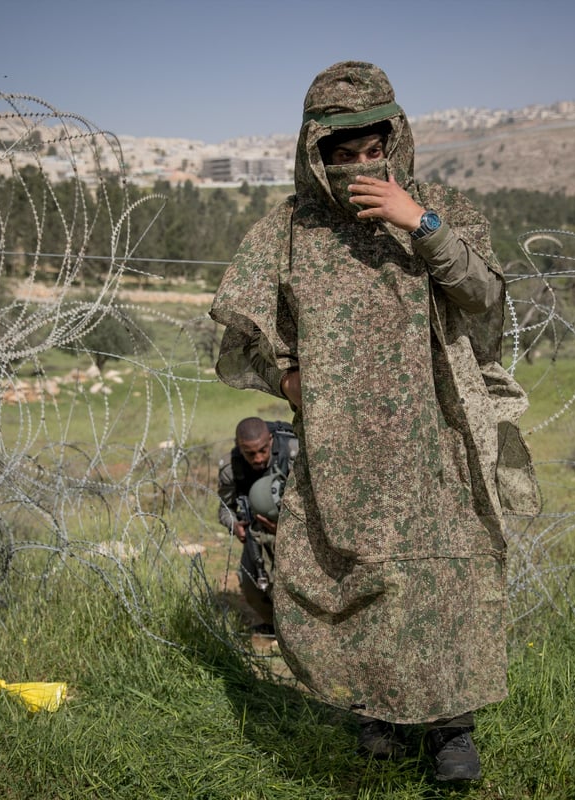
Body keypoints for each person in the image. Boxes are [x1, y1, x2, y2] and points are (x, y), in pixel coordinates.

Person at [209, 61, 538, 782]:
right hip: (343, 441)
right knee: (355, 574)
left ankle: (452, 730)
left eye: (374, 149)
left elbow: (485, 298)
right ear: (316, 152)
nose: (362, 164)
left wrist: (417, 223)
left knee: (446, 576)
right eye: (344, 152)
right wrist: (289, 379)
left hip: (438, 431)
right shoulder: (289, 231)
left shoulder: (439, 208)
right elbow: (241, 331)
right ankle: (377, 710)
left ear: (397, 138)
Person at [216, 416, 299, 635]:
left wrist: (287, 527)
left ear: (270, 440)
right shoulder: (231, 468)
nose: (258, 458)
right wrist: (235, 525)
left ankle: (301, 630)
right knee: (252, 586)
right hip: (256, 534)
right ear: (239, 447)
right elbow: (225, 507)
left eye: (263, 450)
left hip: (297, 533)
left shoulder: (293, 454)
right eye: (250, 453)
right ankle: (274, 627)